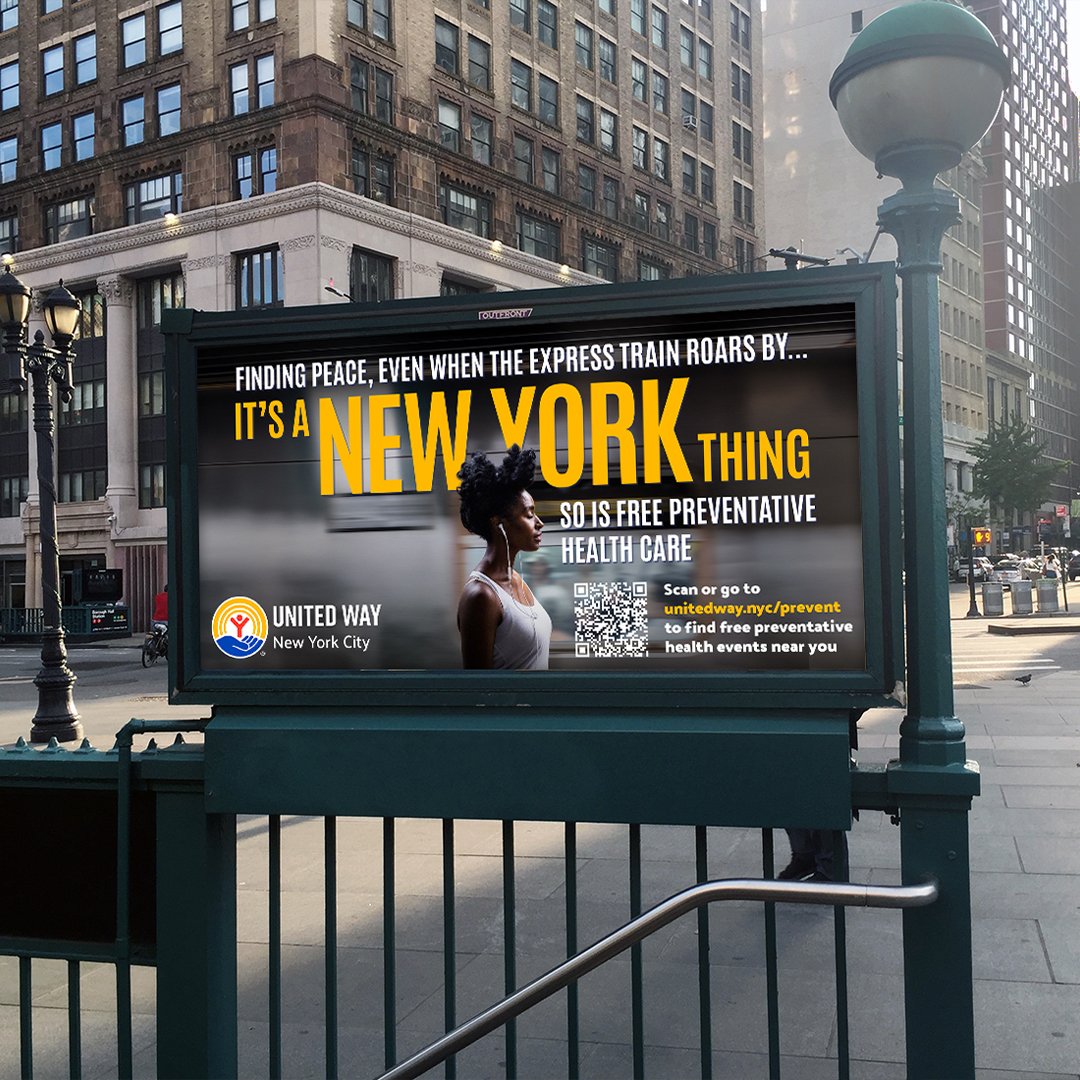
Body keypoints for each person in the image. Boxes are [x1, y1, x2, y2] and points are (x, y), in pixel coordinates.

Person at [457, 446, 552, 669]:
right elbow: (478, 689)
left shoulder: (517, 580)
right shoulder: (481, 596)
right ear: (498, 522)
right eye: (529, 514)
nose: (539, 523)